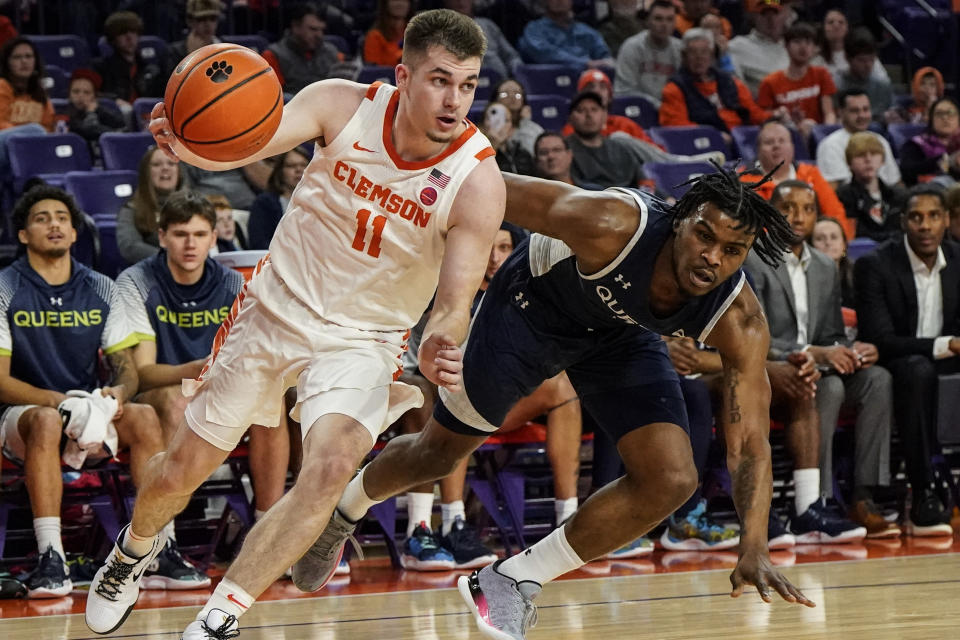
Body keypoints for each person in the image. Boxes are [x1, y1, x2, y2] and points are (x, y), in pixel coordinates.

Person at [85, 10, 505, 639]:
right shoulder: (340, 104)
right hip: (273, 309)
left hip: (364, 339)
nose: (454, 99)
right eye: (440, 80)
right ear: (403, 75)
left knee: (332, 467)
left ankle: (218, 619)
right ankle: (132, 551)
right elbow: (253, 138)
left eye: (468, 85)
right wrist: (191, 143)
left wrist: (446, 335)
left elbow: (455, 296)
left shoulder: (476, 180)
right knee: (180, 472)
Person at [298, 164, 817, 639]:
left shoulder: (739, 318)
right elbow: (484, 188)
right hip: (531, 309)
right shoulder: (612, 223)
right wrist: (379, 186)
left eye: (732, 250)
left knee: (672, 478)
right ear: (680, 221)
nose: (713, 257)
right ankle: (344, 510)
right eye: (705, 235)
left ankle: (512, 577)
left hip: (617, 334)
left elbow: (749, 443)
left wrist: (754, 544)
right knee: (438, 453)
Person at [0, 185, 166, 598]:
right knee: (44, 421)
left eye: (62, 218)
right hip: (21, 419)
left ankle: (158, 547)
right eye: (41, 218)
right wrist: (60, 402)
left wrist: (118, 395)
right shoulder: (4, 287)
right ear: (23, 235)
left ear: (75, 233)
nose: (54, 224)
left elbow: (127, 370)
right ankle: (51, 558)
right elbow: (0, 381)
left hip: (87, 414)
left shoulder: (101, 287)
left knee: (144, 415)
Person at [745, 180, 897, 539]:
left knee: (879, 379)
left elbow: (830, 333)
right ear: (771, 211)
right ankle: (819, 499)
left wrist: (853, 349)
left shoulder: (826, 268)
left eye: (807, 209)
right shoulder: (753, 260)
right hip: (776, 368)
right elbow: (752, 336)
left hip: (816, 365)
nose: (798, 216)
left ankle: (864, 494)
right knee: (826, 387)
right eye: (788, 207)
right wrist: (813, 353)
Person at [854, 186, 958, 537]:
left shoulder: (959, 261)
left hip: (945, 362)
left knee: (926, 369)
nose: (925, 225)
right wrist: (946, 344)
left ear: (946, 220)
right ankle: (923, 491)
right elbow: (880, 340)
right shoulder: (875, 265)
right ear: (903, 222)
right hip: (895, 364)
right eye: (916, 217)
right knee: (917, 369)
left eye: (933, 216)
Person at [659, 29, 776, 142]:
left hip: (742, 140)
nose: (699, 57)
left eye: (704, 51)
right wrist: (714, 136)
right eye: (693, 52)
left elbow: (753, 113)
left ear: (712, 55)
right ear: (684, 56)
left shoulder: (731, 82)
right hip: (705, 146)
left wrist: (774, 117)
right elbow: (677, 127)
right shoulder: (674, 89)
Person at [741, 120, 850, 238]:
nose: (776, 146)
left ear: (792, 147)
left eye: (782, 141)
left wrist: (840, 244)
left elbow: (835, 214)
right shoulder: (743, 181)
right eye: (769, 142)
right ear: (758, 149)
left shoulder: (811, 175)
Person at [757, 22, 836, 139]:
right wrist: (779, 115)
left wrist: (825, 133)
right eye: (797, 42)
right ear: (786, 46)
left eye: (808, 42)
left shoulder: (822, 74)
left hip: (817, 135)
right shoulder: (770, 82)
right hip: (784, 136)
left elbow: (829, 113)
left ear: (814, 48)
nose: (803, 47)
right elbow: (764, 120)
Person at [815, 88, 901, 189]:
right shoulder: (830, 145)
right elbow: (832, 189)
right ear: (841, 113)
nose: (862, 115)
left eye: (866, 109)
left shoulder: (880, 140)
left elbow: (896, 182)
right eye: (855, 111)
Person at [116, 146, 187, 264]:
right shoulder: (131, 209)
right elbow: (129, 247)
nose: (165, 168)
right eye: (156, 164)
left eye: (171, 164)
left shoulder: (194, 206)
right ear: (146, 173)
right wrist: (170, 259)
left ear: (179, 172)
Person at [262, 2, 351, 96]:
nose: (319, 35)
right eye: (313, 29)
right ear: (296, 26)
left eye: (322, 30)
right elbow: (274, 97)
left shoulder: (332, 51)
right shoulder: (273, 55)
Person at [565, 91, 648, 189]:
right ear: (570, 118)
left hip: (628, 199)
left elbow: (645, 182)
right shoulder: (563, 150)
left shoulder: (620, 147)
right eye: (581, 110)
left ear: (605, 115)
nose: (589, 115)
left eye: (594, 110)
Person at [836, 131, 907, 241]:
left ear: (882, 160)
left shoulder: (899, 195)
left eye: (874, 154)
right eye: (860, 155)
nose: (868, 160)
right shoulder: (843, 196)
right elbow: (856, 234)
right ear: (849, 163)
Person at [0, 37, 54, 181]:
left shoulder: (40, 95)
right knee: (36, 131)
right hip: (4, 145)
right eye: (17, 57)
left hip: (25, 154)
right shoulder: (2, 86)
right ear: (7, 63)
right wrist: (24, 137)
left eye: (28, 56)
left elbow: (49, 127)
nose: (24, 61)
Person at [614, 0, 683, 108]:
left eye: (669, 19)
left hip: (672, 110)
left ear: (675, 23)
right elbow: (623, 90)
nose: (664, 24)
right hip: (639, 109)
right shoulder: (631, 47)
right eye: (658, 19)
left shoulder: (680, 49)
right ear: (648, 21)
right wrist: (656, 105)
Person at [96, 11, 164, 107]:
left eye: (133, 32)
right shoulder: (101, 68)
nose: (129, 37)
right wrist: (114, 100)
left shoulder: (150, 69)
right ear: (112, 39)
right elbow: (91, 94)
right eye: (122, 33)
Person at [517, 0, 614, 68]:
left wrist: (605, 63)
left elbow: (605, 57)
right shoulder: (534, 30)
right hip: (548, 81)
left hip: (587, 84)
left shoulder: (587, 31)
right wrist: (585, 64)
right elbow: (542, 54)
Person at [247, 148, 308, 250]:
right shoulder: (264, 203)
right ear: (280, 171)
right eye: (291, 166)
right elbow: (259, 244)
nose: (299, 170)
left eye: (304, 165)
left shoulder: (320, 200)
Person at [442, 0, 522, 79]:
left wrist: (518, 72)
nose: (461, 2)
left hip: (501, 82)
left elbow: (511, 56)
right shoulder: (441, 29)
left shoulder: (488, 25)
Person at [728, 0, 791, 95]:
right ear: (754, 17)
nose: (771, 20)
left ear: (784, 17)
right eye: (764, 14)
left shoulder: (793, 44)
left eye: (775, 14)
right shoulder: (737, 46)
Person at [813, 9, 889, 86]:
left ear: (847, 28)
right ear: (823, 28)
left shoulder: (863, 52)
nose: (836, 26)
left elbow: (883, 81)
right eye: (830, 22)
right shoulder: (815, 57)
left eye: (841, 22)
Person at [834, 28, 893, 122]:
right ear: (847, 58)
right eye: (862, 60)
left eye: (872, 60)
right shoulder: (837, 84)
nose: (868, 65)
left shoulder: (882, 84)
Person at [899, 98, 960, 188]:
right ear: (931, 119)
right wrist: (943, 160)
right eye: (939, 114)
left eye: (950, 113)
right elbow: (907, 171)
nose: (945, 118)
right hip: (929, 191)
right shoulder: (916, 144)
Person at [65, 68, 127, 156]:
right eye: (76, 91)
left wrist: (97, 110)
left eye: (86, 92)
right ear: (69, 95)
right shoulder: (65, 114)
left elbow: (121, 124)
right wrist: (91, 113)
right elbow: (89, 129)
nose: (80, 96)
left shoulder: (99, 110)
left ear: (94, 96)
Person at [165, 0, 224, 75]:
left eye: (212, 19)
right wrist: (191, 56)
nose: (208, 24)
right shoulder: (175, 52)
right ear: (190, 21)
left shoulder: (225, 48)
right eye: (201, 19)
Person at [489, 77, 543, 157]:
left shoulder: (532, 128)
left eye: (517, 94)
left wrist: (525, 122)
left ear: (523, 100)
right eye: (504, 94)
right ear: (495, 100)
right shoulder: (487, 128)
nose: (512, 97)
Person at [481, 102, 536, 175]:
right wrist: (493, 146)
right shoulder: (473, 150)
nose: (499, 124)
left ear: (512, 126)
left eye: (506, 120)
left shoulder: (522, 151)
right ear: (483, 124)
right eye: (491, 119)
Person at [811, 217, 855, 308]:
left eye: (834, 237)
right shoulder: (800, 278)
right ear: (810, 246)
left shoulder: (858, 275)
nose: (828, 242)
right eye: (820, 239)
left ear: (844, 245)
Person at [363, 0, 412, 66]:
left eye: (405, 0)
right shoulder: (374, 36)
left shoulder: (418, 32)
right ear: (385, 3)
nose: (400, 3)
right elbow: (373, 71)